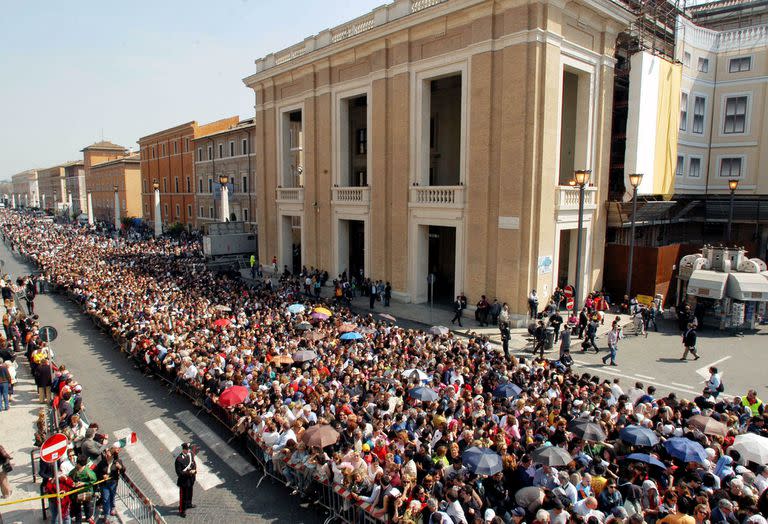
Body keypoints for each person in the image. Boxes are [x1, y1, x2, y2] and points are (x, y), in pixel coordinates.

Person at [175, 442, 197, 517]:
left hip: (191, 478)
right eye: (186, 450)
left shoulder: (190, 454)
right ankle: (182, 510)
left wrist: (194, 469)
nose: (188, 451)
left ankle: (189, 504)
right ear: (183, 450)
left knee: (190, 492)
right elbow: (179, 472)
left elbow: (193, 462)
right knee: (183, 496)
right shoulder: (179, 459)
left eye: (188, 449)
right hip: (184, 480)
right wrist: (189, 472)